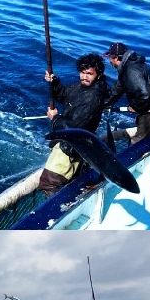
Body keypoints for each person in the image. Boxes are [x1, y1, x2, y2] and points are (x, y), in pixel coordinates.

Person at [38, 53, 112, 195]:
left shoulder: (92, 97)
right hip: (80, 145)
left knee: (48, 183)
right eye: (82, 72)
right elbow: (64, 94)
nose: (84, 77)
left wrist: (55, 118)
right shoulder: (83, 86)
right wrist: (54, 82)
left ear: (99, 74)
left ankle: (61, 212)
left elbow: (71, 128)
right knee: (72, 181)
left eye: (89, 74)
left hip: (70, 147)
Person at [104, 42, 150, 143]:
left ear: (116, 58)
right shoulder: (130, 66)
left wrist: (134, 106)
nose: (109, 61)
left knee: (139, 143)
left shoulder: (131, 71)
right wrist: (104, 103)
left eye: (110, 58)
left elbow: (145, 95)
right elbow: (117, 89)